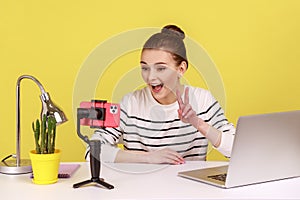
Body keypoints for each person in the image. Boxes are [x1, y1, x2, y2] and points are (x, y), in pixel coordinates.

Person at [87, 24, 235, 165]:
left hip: (190, 189)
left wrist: (198, 123)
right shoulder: (130, 103)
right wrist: (148, 158)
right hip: (141, 188)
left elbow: (235, 149)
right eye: (145, 68)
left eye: (160, 69)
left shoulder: (203, 101)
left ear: (181, 69)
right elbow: (92, 151)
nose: (150, 77)